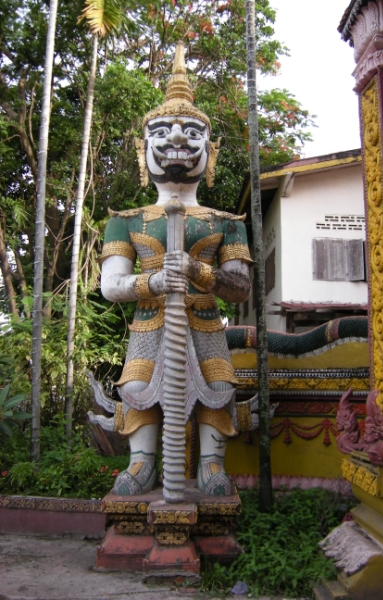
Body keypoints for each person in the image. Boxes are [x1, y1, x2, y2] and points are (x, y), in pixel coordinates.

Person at [89, 43, 252, 497]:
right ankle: (141, 462)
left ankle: (212, 464)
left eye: (191, 132)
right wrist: (155, 281)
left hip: (206, 322)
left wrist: (201, 273)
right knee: (138, 383)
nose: (177, 139)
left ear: (210, 153)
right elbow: (110, 285)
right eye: (162, 132)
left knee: (218, 384)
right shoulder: (126, 220)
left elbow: (240, 288)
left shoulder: (225, 222)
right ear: (143, 150)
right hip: (149, 321)